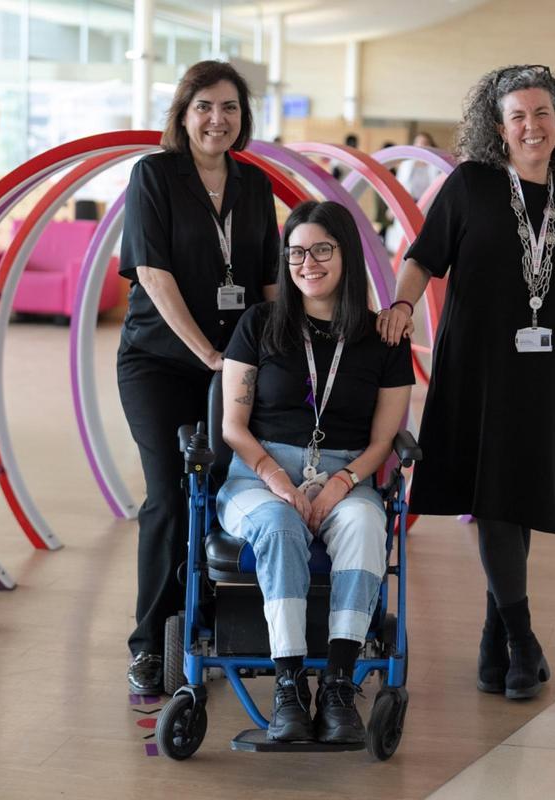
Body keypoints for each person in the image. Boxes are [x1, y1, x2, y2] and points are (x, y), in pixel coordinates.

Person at [377, 64, 555, 701]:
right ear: (499, 127)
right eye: (518, 116)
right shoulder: (472, 185)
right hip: (479, 369)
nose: (531, 126)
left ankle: (494, 641)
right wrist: (400, 305)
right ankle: (523, 639)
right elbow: (423, 257)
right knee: (495, 499)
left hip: (546, 376)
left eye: (542, 114)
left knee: (519, 498)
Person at [217, 200, 414, 742]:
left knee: (364, 524)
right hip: (257, 475)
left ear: (346, 253)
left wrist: (342, 482)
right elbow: (234, 426)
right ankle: (287, 687)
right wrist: (278, 481)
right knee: (278, 527)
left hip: (347, 473)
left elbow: (383, 441)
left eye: (322, 249)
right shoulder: (258, 325)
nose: (309, 262)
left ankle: (338, 684)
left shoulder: (383, 339)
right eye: (297, 251)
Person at [117, 60, 280, 695]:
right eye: (206, 106)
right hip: (160, 361)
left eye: (230, 108)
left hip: (232, 365)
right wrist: (212, 357)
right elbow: (153, 276)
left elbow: (269, 279)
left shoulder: (254, 185)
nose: (218, 119)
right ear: (184, 115)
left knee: (222, 493)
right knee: (168, 494)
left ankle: (206, 626)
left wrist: (271, 354)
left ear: (244, 118)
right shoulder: (154, 175)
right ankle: (148, 645)